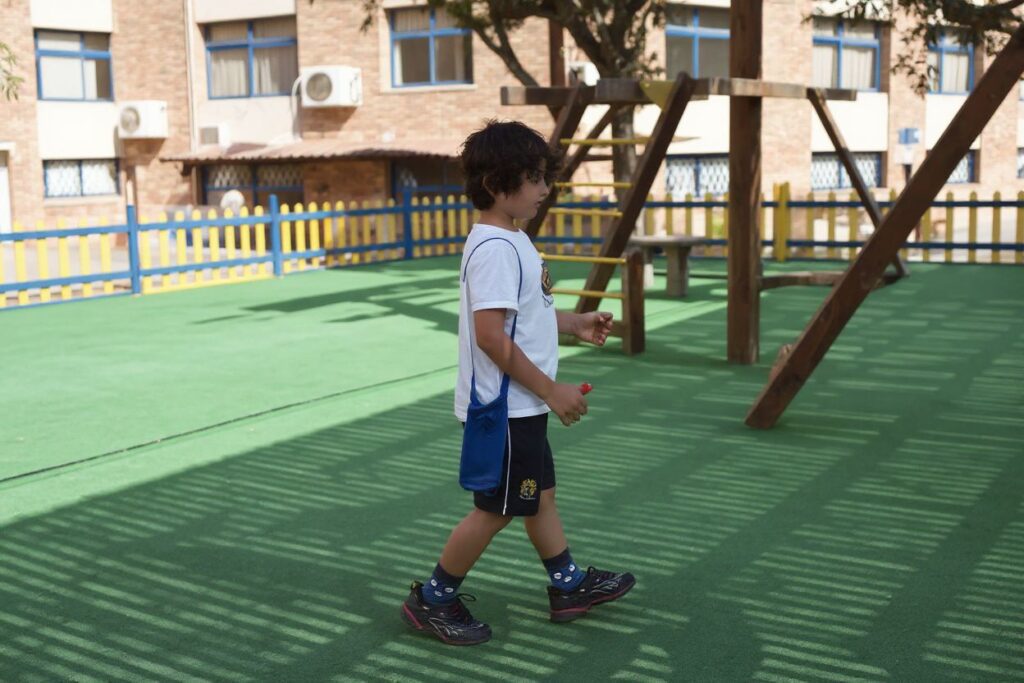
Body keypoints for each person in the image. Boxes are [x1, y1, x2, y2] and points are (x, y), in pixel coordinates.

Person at [399, 120, 636, 646]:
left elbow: (521, 318)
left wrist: (573, 322)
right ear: (495, 184)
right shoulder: (496, 250)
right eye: (533, 178)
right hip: (506, 410)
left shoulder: (514, 240)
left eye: (544, 177)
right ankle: (432, 598)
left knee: (540, 496)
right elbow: (490, 336)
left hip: (521, 408)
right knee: (498, 510)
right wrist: (552, 390)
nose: (545, 188)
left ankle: (568, 585)